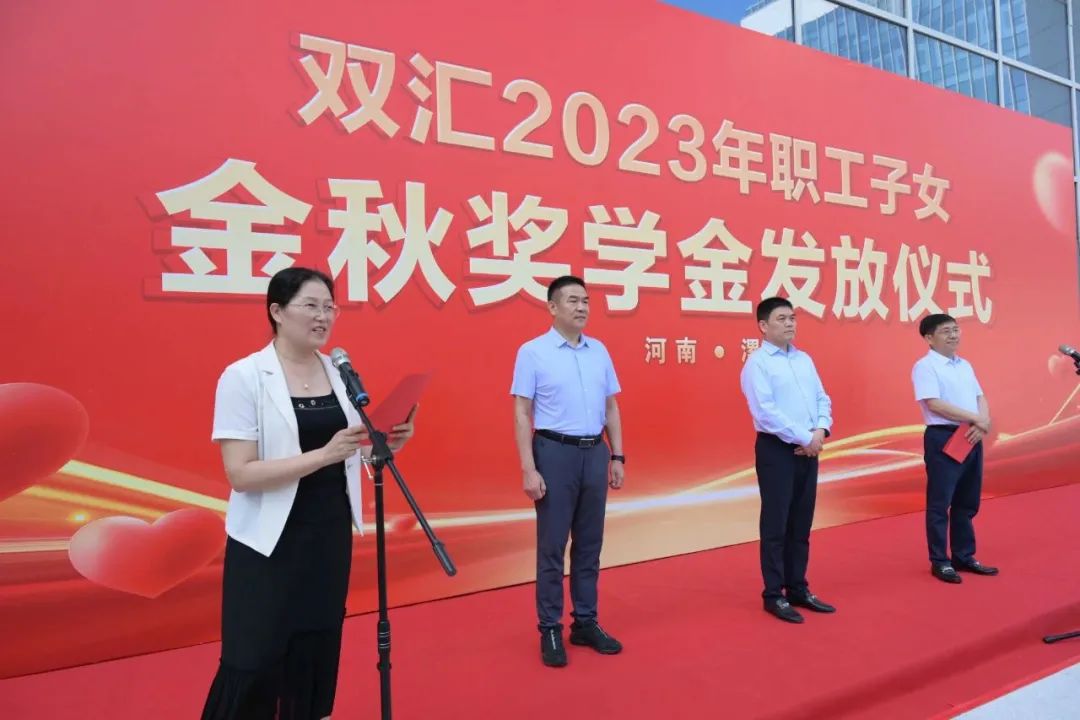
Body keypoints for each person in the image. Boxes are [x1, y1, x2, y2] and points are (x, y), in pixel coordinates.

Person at [202, 267, 417, 720]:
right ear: (277, 311)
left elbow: (350, 453)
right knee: (255, 655)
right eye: (311, 306)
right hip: (268, 542)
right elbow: (240, 474)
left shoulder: (338, 372)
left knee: (314, 646)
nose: (323, 317)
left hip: (327, 534)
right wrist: (322, 455)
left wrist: (385, 445)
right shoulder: (244, 376)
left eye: (329, 307)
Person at [511, 275, 626, 667]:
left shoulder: (599, 351)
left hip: (594, 453)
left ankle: (585, 621)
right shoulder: (533, 352)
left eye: (586, 301)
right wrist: (529, 469)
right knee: (552, 546)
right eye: (573, 300)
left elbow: (610, 407)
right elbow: (522, 413)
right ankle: (549, 627)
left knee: (590, 544)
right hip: (554, 453)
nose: (581, 308)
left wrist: (618, 456)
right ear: (552, 307)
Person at [739, 297, 836, 624]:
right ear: (763, 326)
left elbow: (822, 398)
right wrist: (804, 438)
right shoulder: (757, 364)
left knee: (801, 522)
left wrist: (820, 430)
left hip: (809, 446)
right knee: (776, 524)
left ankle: (798, 587)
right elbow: (765, 413)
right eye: (781, 318)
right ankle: (773, 594)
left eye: (792, 317)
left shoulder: (804, 359)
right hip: (777, 450)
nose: (790, 323)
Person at [912, 313, 998, 584]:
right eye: (945, 331)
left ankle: (964, 555)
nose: (953, 335)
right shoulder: (925, 366)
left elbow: (980, 396)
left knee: (967, 500)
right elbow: (934, 404)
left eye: (955, 329)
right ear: (929, 338)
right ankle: (940, 560)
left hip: (971, 435)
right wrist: (976, 419)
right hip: (944, 437)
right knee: (940, 503)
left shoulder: (965, 365)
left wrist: (982, 422)